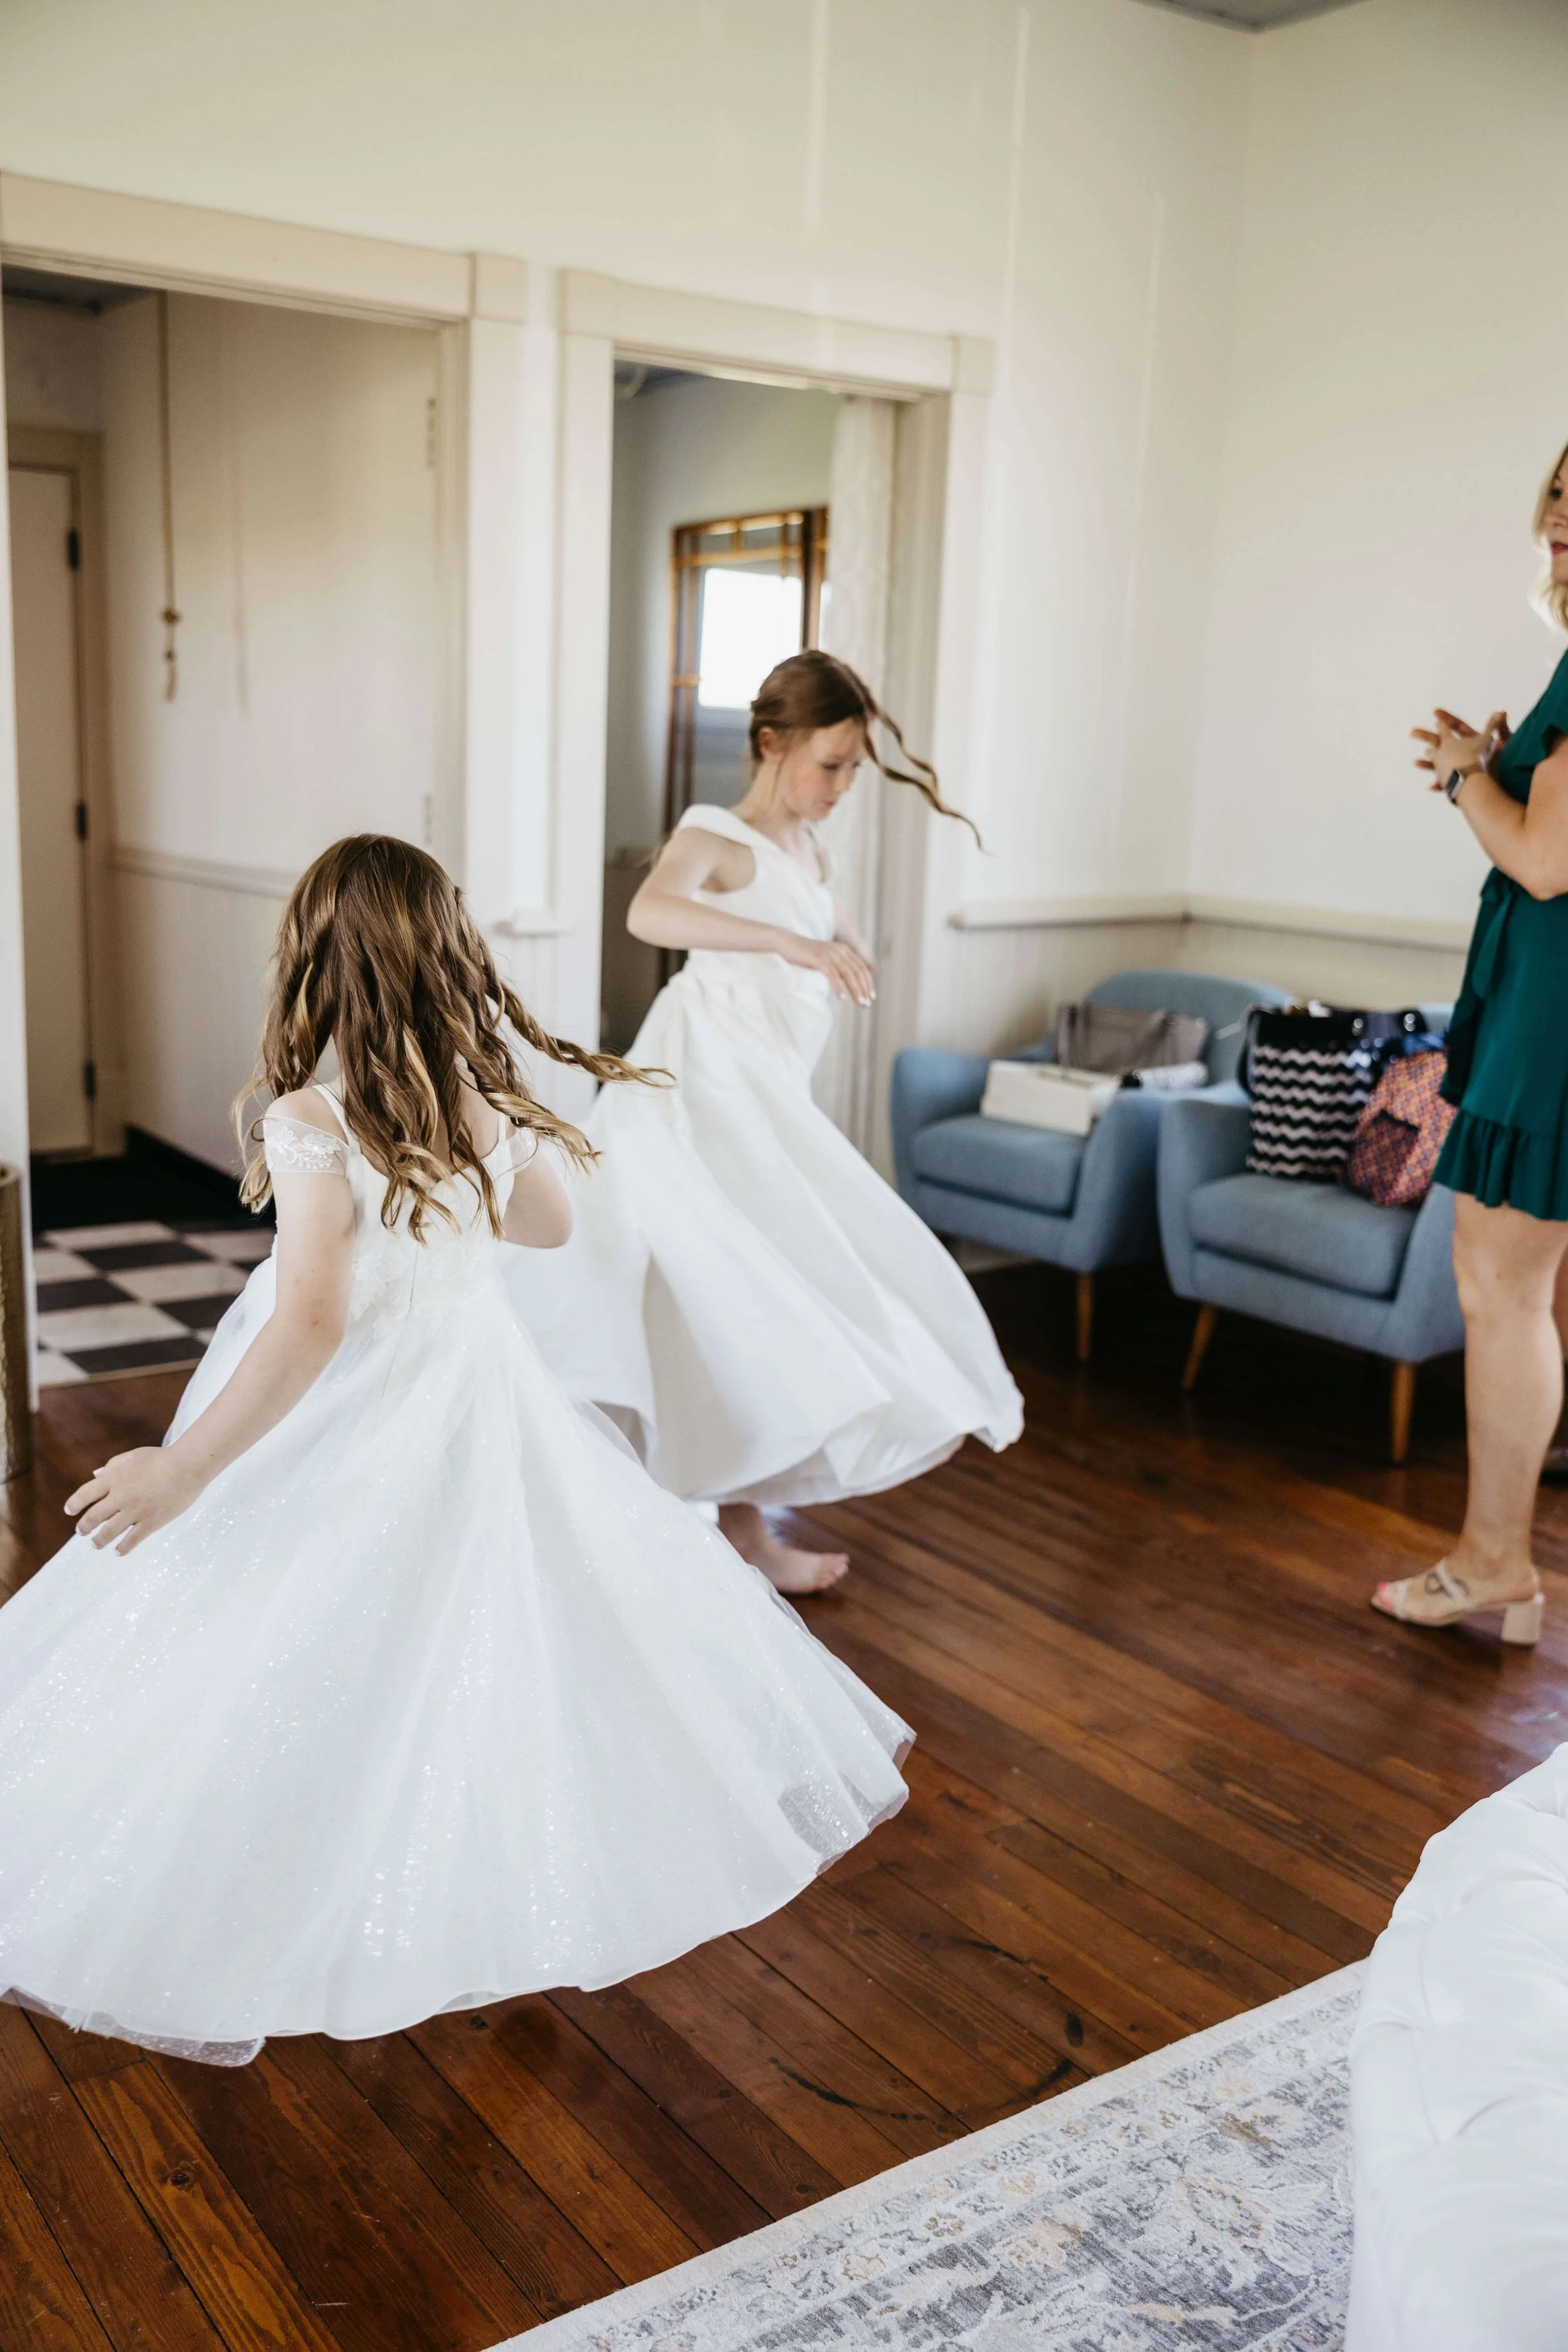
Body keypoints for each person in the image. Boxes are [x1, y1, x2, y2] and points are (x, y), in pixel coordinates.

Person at [0, 835, 910, 2065]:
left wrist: (184, 1468)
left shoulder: (313, 1118)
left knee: (291, 1615)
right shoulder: (472, 1103)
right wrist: (487, 1115)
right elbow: (550, 1226)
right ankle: (443, 1857)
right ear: (450, 961)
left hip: (351, 1411)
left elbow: (311, 1321)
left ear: (314, 963)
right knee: (466, 1628)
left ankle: (312, 1855)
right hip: (475, 1402)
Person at [507, 650, 1023, 1594]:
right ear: (771, 742)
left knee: (743, 1300)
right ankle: (619, 1521)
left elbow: (825, 921)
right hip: (700, 1096)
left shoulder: (812, 849)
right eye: (831, 764)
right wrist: (787, 942)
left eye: (855, 768)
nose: (843, 785)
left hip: (767, 1099)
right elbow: (651, 911)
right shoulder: (717, 833)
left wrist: (840, 944)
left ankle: (740, 1530)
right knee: (702, 1282)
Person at [1372, 444, 1568, 1641]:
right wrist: (1491, 769)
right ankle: (1495, 1561)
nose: (1561, 518)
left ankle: (1495, 1564)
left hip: (1554, 1013)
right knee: (1519, 1290)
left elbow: (1545, 862)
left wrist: (1463, 779)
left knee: (1501, 1288)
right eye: (1560, 493)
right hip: (1544, 998)